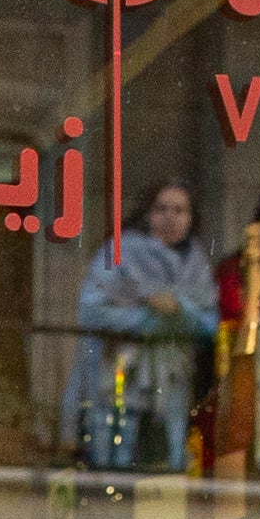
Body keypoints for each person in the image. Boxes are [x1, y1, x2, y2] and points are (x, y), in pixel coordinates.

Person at [76, 179, 216, 472]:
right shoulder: (120, 252)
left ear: (191, 218)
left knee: (168, 464)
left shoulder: (198, 264)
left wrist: (179, 310)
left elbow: (210, 323)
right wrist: (147, 315)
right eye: (162, 208)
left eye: (179, 210)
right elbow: (91, 310)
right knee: (118, 453)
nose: (170, 217)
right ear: (148, 214)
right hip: (121, 369)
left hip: (174, 378)